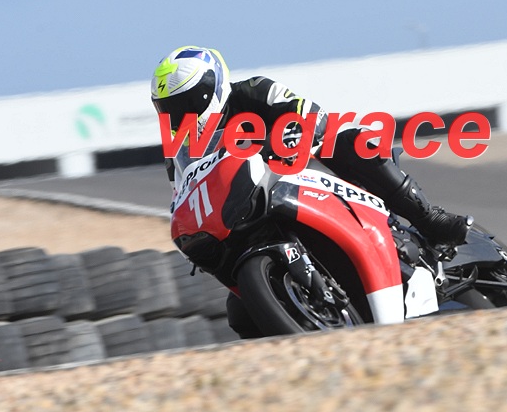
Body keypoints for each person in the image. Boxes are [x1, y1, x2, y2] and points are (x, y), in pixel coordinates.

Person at [151, 45, 473, 337]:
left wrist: (294, 132)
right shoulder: (178, 149)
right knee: (240, 313)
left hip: (296, 171)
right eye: (170, 108)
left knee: (349, 142)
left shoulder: (254, 91)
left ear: (215, 86)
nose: (181, 114)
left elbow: (307, 111)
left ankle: (429, 218)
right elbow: (183, 191)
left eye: (188, 102)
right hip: (248, 211)